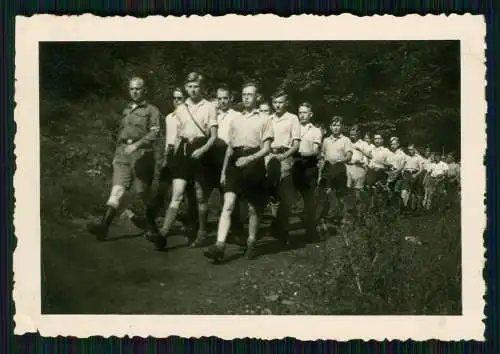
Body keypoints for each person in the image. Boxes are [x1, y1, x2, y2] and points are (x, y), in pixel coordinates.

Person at [146, 72, 218, 250]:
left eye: (196, 86)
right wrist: (171, 158)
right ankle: (163, 234)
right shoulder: (181, 108)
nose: (193, 90)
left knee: (200, 196)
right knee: (177, 194)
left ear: (201, 88)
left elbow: (213, 137)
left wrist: (202, 150)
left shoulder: (209, 107)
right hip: (183, 153)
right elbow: (178, 135)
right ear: (186, 88)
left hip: (201, 150)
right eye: (190, 86)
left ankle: (201, 232)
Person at [203, 81, 274, 262]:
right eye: (244, 94)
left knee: (252, 208)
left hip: (254, 162)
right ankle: (219, 246)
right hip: (235, 160)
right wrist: (224, 170)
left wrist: (249, 159)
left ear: (257, 97)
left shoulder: (265, 119)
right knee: (228, 204)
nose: (246, 97)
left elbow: (266, 149)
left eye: (250, 94)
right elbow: (229, 148)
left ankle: (251, 243)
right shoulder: (236, 119)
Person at [87, 77, 160, 240]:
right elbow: (121, 133)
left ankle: (152, 228)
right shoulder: (126, 109)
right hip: (122, 154)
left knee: (143, 193)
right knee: (117, 190)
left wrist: (137, 145)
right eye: (132, 89)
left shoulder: (151, 110)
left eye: (138, 88)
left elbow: (154, 133)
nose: (135, 91)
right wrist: (117, 155)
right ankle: (103, 227)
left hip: (142, 155)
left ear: (144, 90)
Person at [266, 90, 301, 243]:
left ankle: (283, 228)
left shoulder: (293, 119)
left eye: (280, 102)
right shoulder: (269, 119)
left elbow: (296, 145)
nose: (277, 105)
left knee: (284, 193)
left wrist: (284, 156)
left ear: (286, 103)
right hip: (269, 156)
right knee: (272, 194)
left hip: (285, 156)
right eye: (275, 102)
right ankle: (276, 224)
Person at [215, 84, 245, 243]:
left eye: (225, 98)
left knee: (231, 193)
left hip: (231, 154)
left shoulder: (236, 115)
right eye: (219, 98)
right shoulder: (215, 115)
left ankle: (238, 231)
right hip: (214, 156)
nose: (222, 101)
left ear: (231, 98)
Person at [292, 102, 323, 242]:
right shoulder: (294, 127)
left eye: (305, 112)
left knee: (309, 200)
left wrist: (303, 153)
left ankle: (310, 231)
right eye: (300, 112)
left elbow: (315, 151)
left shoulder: (316, 130)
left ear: (310, 114)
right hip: (294, 164)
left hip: (309, 166)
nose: (302, 115)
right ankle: (283, 230)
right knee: (287, 197)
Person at [317, 116, 353, 223]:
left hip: (339, 168)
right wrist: (320, 172)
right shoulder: (326, 140)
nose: (335, 127)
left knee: (340, 193)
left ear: (341, 126)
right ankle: (323, 215)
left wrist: (340, 160)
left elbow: (349, 156)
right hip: (327, 168)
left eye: (338, 125)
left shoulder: (346, 140)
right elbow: (322, 156)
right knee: (324, 191)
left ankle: (341, 216)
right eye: (333, 125)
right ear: (330, 127)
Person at [347, 125, 372, 203]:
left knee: (358, 191)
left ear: (358, 134)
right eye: (350, 134)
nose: (352, 136)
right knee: (348, 190)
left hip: (359, 168)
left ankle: (360, 208)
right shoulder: (347, 142)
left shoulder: (363, 143)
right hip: (348, 167)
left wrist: (360, 149)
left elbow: (370, 156)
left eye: (354, 134)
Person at [400, 144, 423, 211]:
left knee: (414, 192)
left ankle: (414, 208)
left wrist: (416, 174)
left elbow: (421, 169)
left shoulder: (419, 157)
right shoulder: (405, 156)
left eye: (412, 149)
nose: (410, 151)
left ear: (414, 149)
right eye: (409, 149)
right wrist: (403, 173)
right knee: (404, 191)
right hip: (406, 174)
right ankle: (404, 207)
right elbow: (402, 166)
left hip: (415, 173)